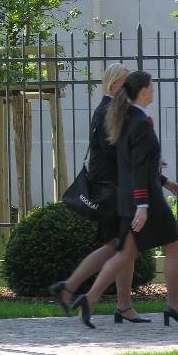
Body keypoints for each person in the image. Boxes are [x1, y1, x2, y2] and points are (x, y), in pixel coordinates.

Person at [70, 70, 178, 328]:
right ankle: (174, 306)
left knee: (125, 252)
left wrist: (161, 179)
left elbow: (133, 161)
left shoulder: (128, 119)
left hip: (131, 197)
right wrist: (143, 205)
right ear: (142, 91)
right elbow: (137, 168)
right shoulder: (137, 121)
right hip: (145, 199)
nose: (154, 90)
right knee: (172, 246)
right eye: (151, 86)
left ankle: (90, 298)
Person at [50, 64, 155, 323]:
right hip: (113, 190)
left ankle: (121, 305)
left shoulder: (108, 110)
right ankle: (75, 289)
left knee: (121, 247)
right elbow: (115, 151)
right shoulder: (111, 111)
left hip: (113, 188)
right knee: (119, 247)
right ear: (116, 85)